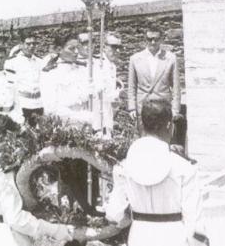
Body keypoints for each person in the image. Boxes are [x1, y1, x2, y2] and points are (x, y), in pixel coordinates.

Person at [0, 114, 86, 246]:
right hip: (9, 238)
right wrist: (54, 229)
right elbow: (15, 218)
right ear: (2, 138)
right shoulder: (4, 170)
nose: (17, 144)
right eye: (14, 139)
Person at [105, 99, 201, 246]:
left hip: (139, 237)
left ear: (142, 125)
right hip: (174, 237)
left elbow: (113, 213)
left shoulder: (124, 167)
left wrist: (128, 218)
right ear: (170, 126)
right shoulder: (184, 168)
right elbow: (194, 221)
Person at [127, 28, 182, 130]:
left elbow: (176, 87)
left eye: (156, 39)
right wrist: (132, 108)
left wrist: (175, 109)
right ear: (145, 39)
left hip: (163, 109)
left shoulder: (171, 58)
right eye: (149, 39)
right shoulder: (135, 59)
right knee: (144, 141)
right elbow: (132, 86)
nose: (153, 42)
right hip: (143, 108)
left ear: (161, 39)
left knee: (164, 141)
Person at [40, 34, 101, 124]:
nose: (76, 52)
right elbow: (51, 108)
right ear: (59, 50)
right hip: (65, 124)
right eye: (71, 49)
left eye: (77, 48)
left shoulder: (81, 68)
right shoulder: (51, 72)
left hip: (87, 120)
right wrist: (81, 117)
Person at [5, 31, 44, 127]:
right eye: (28, 44)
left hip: (38, 104)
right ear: (21, 45)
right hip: (22, 104)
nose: (31, 46)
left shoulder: (40, 61)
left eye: (34, 44)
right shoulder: (12, 62)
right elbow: (9, 87)